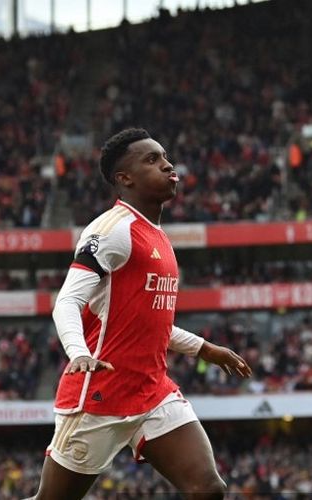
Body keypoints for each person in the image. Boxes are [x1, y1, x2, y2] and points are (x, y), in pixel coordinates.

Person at [28, 128, 253, 500]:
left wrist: (203, 348)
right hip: (101, 394)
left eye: (165, 157)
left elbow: (148, 322)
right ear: (125, 178)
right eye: (152, 160)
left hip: (151, 391)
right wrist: (79, 352)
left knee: (208, 489)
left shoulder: (157, 235)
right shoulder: (112, 230)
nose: (167, 166)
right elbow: (66, 301)